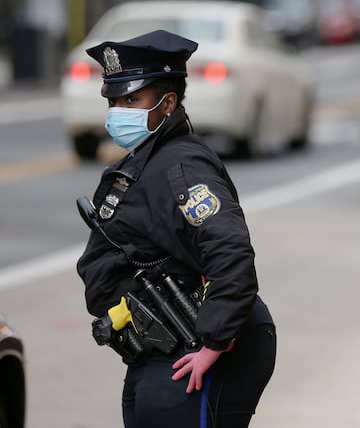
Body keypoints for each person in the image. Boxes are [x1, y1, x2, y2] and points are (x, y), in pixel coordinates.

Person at [75, 29, 276, 428]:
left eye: (132, 99)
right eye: (114, 100)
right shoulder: (148, 159)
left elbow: (230, 251)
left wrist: (213, 342)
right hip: (160, 343)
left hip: (198, 341)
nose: (118, 110)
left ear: (167, 104)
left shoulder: (182, 166)